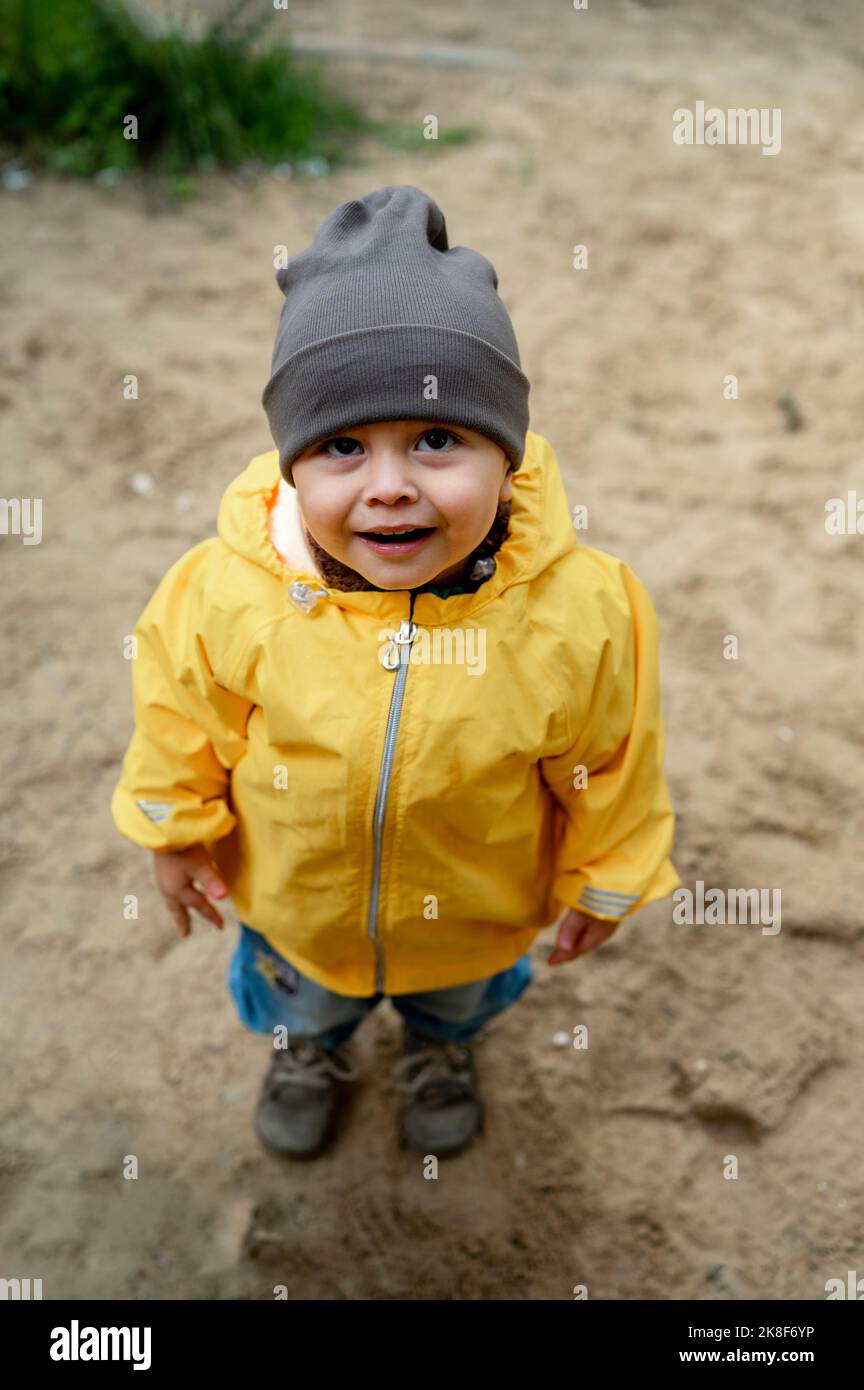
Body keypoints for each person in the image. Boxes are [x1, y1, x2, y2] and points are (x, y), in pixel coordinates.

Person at [111, 185, 680, 1161]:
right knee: (308, 1001)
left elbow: (611, 755)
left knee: (455, 999)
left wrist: (610, 872)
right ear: (291, 467)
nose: (387, 484)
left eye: (436, 438)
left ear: (508, 453)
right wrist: (175, 831)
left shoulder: (580, 610)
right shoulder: (227, 592)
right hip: (299, 905)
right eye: (340, 446)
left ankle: (439, 1048)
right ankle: (311, 1051)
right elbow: (178, 722)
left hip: (475, 904)